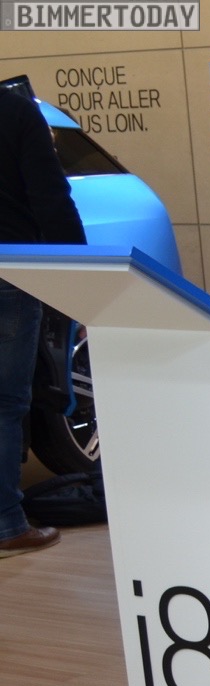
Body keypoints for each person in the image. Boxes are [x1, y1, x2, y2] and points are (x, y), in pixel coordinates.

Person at [0, 85, 85, 558]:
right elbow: (50, 197)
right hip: (9, 270)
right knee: (5, 403)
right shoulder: (15, 111)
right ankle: (6, 525)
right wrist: (80, 279)